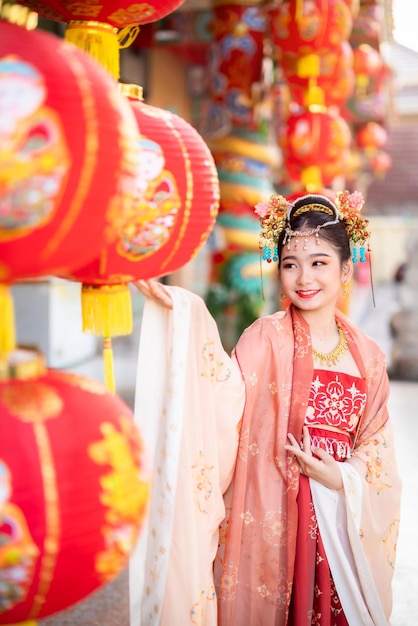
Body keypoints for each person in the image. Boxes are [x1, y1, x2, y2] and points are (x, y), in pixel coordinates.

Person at [129, 190, 402, 626]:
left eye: (319, 262)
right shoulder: (264, 338)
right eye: (290, 264)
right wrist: (188, 315)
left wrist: (341, 477)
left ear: (346, 269)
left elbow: (377, 448)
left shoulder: (368, 356)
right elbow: (224, 399)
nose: (303, 277)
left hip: (340, 523)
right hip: (274, 513)